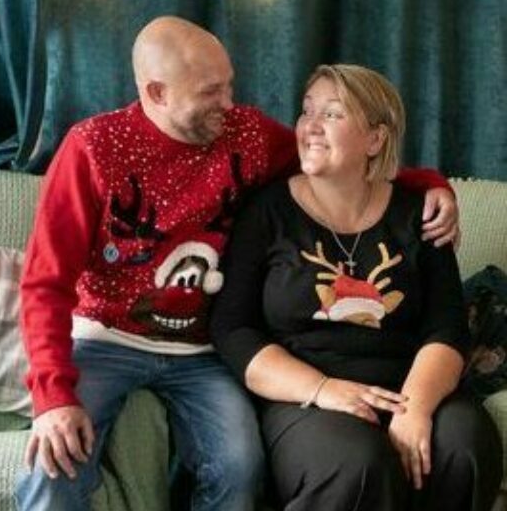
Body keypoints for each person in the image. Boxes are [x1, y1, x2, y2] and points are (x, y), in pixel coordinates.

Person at [16, 14, 459, 511]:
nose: (229, 103)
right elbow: (44, 283)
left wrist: (429, 184)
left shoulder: (244, 135)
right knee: (54, 460)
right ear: (157, 93)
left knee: (240, 468)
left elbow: (336, 164)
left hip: (201, 351)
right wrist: (52, 396)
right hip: (106, 338)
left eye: (230, 85)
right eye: (211, 92)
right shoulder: (93, 149)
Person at [211, 64, 502, 511]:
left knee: (462, 446)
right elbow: (233, 330)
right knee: (356, 463)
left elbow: (446, 327)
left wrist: (416, 407)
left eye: (332, 114)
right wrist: (323, 388)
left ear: (375, 139)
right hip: (306, 397)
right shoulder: (267, 211)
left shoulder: (419, 214)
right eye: (307, 111)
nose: (310, 126)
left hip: (409, 384)